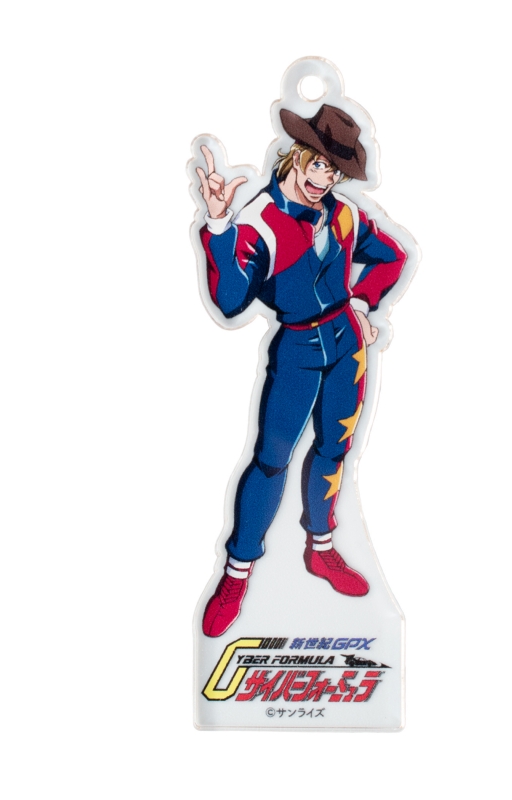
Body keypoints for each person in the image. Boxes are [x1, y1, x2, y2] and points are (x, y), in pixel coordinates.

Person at [196, 104, 407, 637]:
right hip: (295, 348)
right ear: (296, 156)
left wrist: (362, 303)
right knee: (271, 461)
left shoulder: (345, 214)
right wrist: (218, 224)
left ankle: (322, 546)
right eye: (319, 165)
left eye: (335, 171)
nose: (325, 180)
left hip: (347, 344)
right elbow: (229, 301)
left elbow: (393, 257)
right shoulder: (260, 221)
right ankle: (236, 573)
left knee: (335, 449)